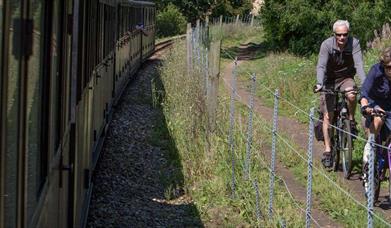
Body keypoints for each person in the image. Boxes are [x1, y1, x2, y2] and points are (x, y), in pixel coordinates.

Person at [314, 20, 366, 168]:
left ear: (348, 34)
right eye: (339, 35)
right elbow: (321, 65)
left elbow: (359, 65)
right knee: (328, 117)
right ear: (334, 34)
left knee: (351, 95)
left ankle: (350, 120)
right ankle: (328, 151)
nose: (342, 38)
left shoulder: (354, 43)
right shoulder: (327, 45)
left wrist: (365, 84)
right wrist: (319, 83)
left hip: (346, 78)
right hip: (329, 81)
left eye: (345, 34)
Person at [360, 47, 391, 164]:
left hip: (390, 107)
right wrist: (365, 106)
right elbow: (364, 91)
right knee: (378, 119)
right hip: (375, 104)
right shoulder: (376, 71)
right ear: (383, 65)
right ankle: (369, 147)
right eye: (389, 67)